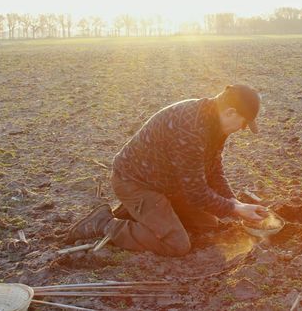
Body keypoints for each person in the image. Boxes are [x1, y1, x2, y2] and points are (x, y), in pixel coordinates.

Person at [65, 84, 268, 257]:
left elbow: (214, 170)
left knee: (208, 223)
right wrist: (235, 209)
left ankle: (137, 213)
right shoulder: (191, 128)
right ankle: (105, 223)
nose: (241, 129)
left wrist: (235, 203)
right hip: (135, 183)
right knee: (176, 244)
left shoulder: (215, 124)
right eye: (243, 124)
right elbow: (196, 192)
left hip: (166, 184)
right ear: (231, 112)